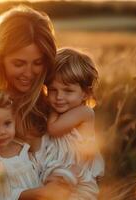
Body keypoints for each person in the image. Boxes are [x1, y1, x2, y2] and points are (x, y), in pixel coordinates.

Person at [0, 5, 100, 200]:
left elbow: (87, 173)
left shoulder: (57, 108)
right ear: (0, 60)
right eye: (19, 63)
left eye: (38, 63)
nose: (29, 73)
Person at [46, 48, 105, 198]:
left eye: (68, 91)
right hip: (61, 177)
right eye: (53, 90)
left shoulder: (84, 113)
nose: (59, 97)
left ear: (85, 93)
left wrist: (47, 106)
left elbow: (53, 129)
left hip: (78, 182)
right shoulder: (64, 111)